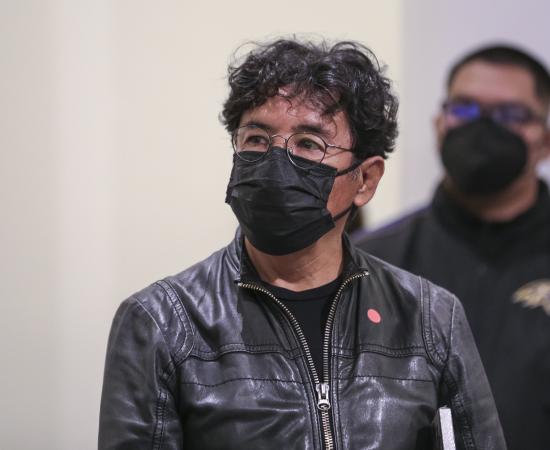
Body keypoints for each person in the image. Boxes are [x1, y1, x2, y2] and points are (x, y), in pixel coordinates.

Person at [98, 38, 505, 449]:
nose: (276, 162)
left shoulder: (429, 318)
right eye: (256, 138)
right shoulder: (164, 322)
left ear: (365, 180)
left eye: (309, 144)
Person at [357, 44, 550, 450]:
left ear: (545, 139)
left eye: (510, 115)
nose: (482, 127)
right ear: (439, 123)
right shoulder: (369, 262)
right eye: (464, 108)